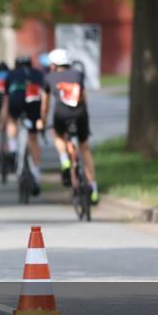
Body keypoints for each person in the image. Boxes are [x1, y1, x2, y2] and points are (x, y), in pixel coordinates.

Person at [42, 48, 98, 204]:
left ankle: (64, 159)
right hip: (80, 115)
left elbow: (45, 105)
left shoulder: (49, 78)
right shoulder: (78, 75)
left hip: (61, 115)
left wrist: (43, 120)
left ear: (53, 65)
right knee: (85, 148)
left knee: (58, 135)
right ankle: (94, 189)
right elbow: (84, 98)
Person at [0, 54, 45, 195]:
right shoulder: (37, 73)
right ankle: (36, 176)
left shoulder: (11, 74)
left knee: (12, 121)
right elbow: (44, 94)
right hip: (34, 101)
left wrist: (4, 118)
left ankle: (13, 149)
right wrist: (42, 118)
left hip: (16, 99)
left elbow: (6, 99)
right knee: (33, 139)